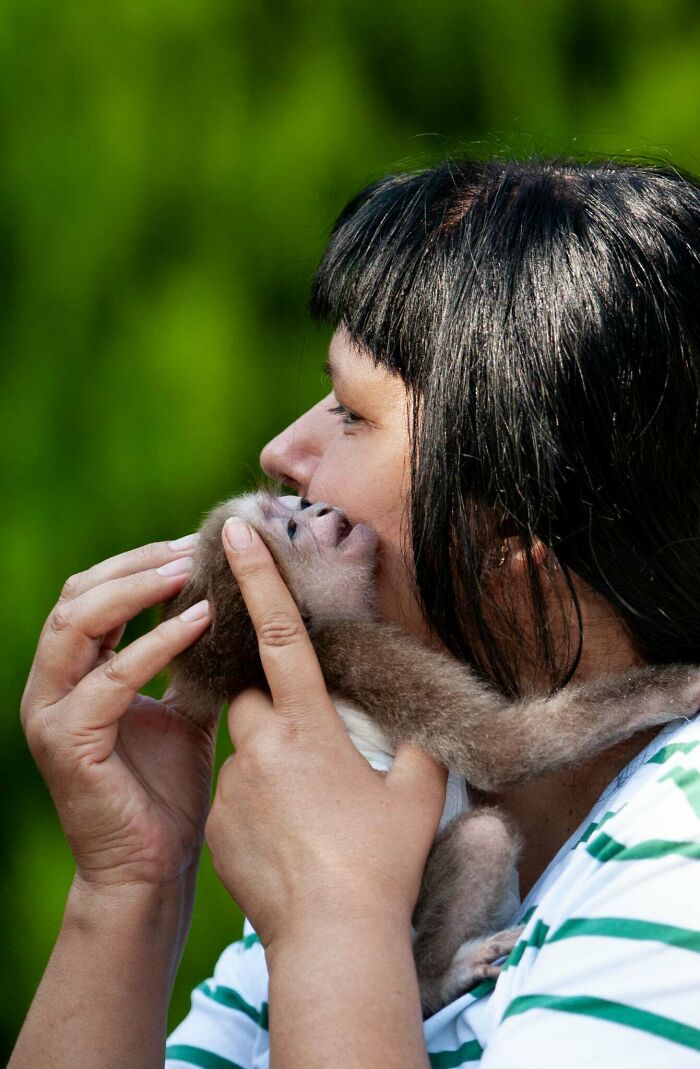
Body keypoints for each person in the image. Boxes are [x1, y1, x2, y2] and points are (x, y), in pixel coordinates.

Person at [10, 157, 700, 1069]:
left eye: (350, 412)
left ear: (515, 522)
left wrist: (336, 924)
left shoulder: (679, 857)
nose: (280, 449)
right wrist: (128, 884)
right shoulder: (359, 852)